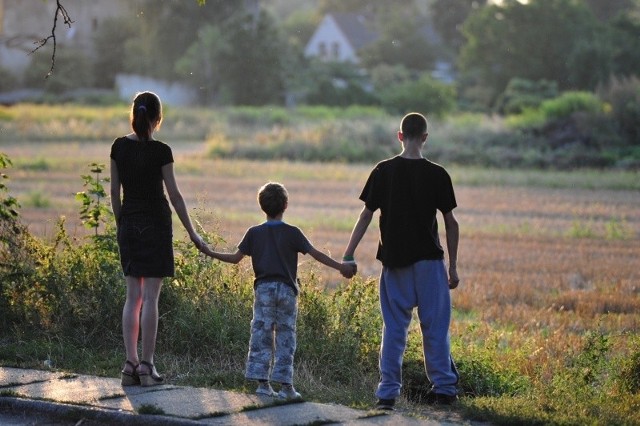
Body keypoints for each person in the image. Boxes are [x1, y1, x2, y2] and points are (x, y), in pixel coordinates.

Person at [342, 112, 460, 410]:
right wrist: (454, 267)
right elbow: (451, 222)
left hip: (394, 264)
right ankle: (444, 390)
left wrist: (348, 253)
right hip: (429, 263)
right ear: (425, 137)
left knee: (394, 329)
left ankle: (387, 394)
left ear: (399, 136)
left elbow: (366, 215)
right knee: (434, 328)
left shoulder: (383, 171)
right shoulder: (438, 174)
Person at [201, 182, 356, 399]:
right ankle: (286, 387)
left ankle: (262, 384)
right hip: (286, 291)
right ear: (286, 204)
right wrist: (341, 267)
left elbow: (235, 259)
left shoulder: (254, 233)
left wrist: (209, 252)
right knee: (286, 336)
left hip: (263, 290)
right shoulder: (293, 233)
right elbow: (316, 254)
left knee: (261, 334)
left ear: (261, 205)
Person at [110, 91, 205, 387]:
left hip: (129, 223)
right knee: (150, 298)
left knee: (132, 297)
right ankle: (147, 367)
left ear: (135, 115)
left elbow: (114, 193)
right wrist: (192, 232)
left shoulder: (118, 147)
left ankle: (129, 365)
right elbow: (174, 196)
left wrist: (121, 224)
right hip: (156, 225)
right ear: (157, 118)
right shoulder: (162, 151)